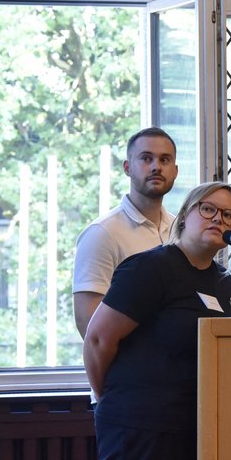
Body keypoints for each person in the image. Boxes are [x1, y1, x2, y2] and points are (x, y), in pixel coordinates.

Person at [83, 181, 231, 460]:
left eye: (228, 215)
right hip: (143, 427)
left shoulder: (222, 282)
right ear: (184, 216)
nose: (218, 219)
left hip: (198, 428)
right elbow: (98, 340)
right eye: (207, 209)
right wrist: (111, 398)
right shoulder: (151, 268)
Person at [73, 127, 180, 338]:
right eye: (146, 158)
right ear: (127, 167)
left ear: (175, 171)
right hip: (129, 359)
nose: (156, 167)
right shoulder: (102, 233)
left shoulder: (181, 230)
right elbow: (88, 323)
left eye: (164, 160)